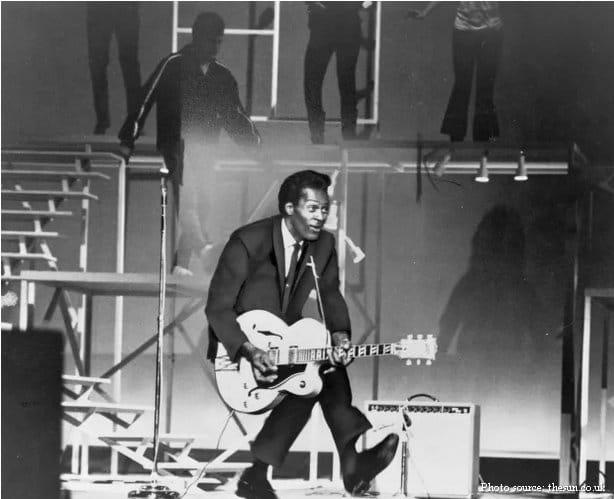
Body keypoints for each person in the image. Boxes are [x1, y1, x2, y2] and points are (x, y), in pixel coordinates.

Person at [205, 170, 399, 499]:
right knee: (313, 381)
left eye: (325, 209)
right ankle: (346, 465)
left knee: (317, 376)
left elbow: (330, 294)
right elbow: (218, 307)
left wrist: (340, 335)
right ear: (289, 208)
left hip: (286, 343)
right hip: (239, 352)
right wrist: (250, 350)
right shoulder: (248, 241)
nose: (320, 216)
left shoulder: (324, 244)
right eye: (312, 208)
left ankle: (263, 475)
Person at [118, 12, 261, 276]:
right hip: (177, 144)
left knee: (205, 203)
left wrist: (258, 148)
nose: (214, 47)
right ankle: (203, 251)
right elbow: (144, 99)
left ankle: (182, 263)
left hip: (207, 148)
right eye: (210, 41)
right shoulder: (173, 65)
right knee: (188, 200)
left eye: (219, 42)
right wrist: (128, 138)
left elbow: (235, 116)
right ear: (196, 37)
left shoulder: (222, 76)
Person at [408, 1, 503, 142]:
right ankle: (455, 143)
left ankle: (483, 145)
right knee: (461, 86)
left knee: (485, 88)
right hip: (464, 32)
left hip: (491, 33)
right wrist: (425, 12)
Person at [304, 2, 365, 144]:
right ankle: (346, 135)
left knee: (315, 80)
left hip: (331, 22)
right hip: (341, 23)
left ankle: (319, 133)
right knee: (346, 81)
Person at [87, 2, 142, 135]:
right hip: (101, 8)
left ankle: (133, 120)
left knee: (129, 63)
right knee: (98, 63)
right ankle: (104, 121)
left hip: (123, 7)